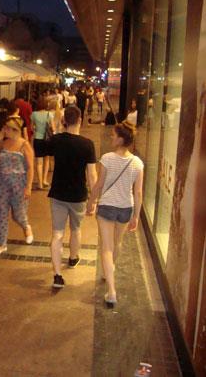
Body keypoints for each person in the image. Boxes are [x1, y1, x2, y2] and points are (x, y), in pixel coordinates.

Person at [87, 122, 143, 306]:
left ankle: (111, 291)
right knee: (116, 243)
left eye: (113, 135)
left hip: (107, 206)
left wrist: (91, 201)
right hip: (125, 208)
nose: (111, 137)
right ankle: (108, 271)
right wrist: (136, 216)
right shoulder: (137, 163)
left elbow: (99, 184)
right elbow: (138, 192)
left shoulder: (107, 159)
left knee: (106, 247)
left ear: (120, 139)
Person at [46, 105, 97, 289]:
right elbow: (92, 175)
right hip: (78, 195)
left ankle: (57, 275)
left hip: (58, 193)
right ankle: (73, 258)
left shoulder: (56, 140)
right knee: (76, 229)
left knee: (57, 234)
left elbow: (43, 148)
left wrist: (59, 128)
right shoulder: (87, 144)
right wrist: (94, 199)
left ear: (64, 121)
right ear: (80, 120)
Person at [0, 117, 34, 255]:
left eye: (7, 128)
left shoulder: (24, 145)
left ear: (15, 130)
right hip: (1, 183)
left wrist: (28, 186)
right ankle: (2, 244)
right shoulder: (3, 144)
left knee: (18, 214)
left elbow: (30, 167)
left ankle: (26, 226)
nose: (4, 130)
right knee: (1, 213)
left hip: (18, 184)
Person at [31, 97, 53, 189]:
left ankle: (39, 183)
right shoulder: (49, 114)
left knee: (39, 162)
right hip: (47, 140)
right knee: (47, 160)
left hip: (38, 139)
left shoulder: (34, 114)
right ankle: (44, 180)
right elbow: (52, 127)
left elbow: (32, 127)